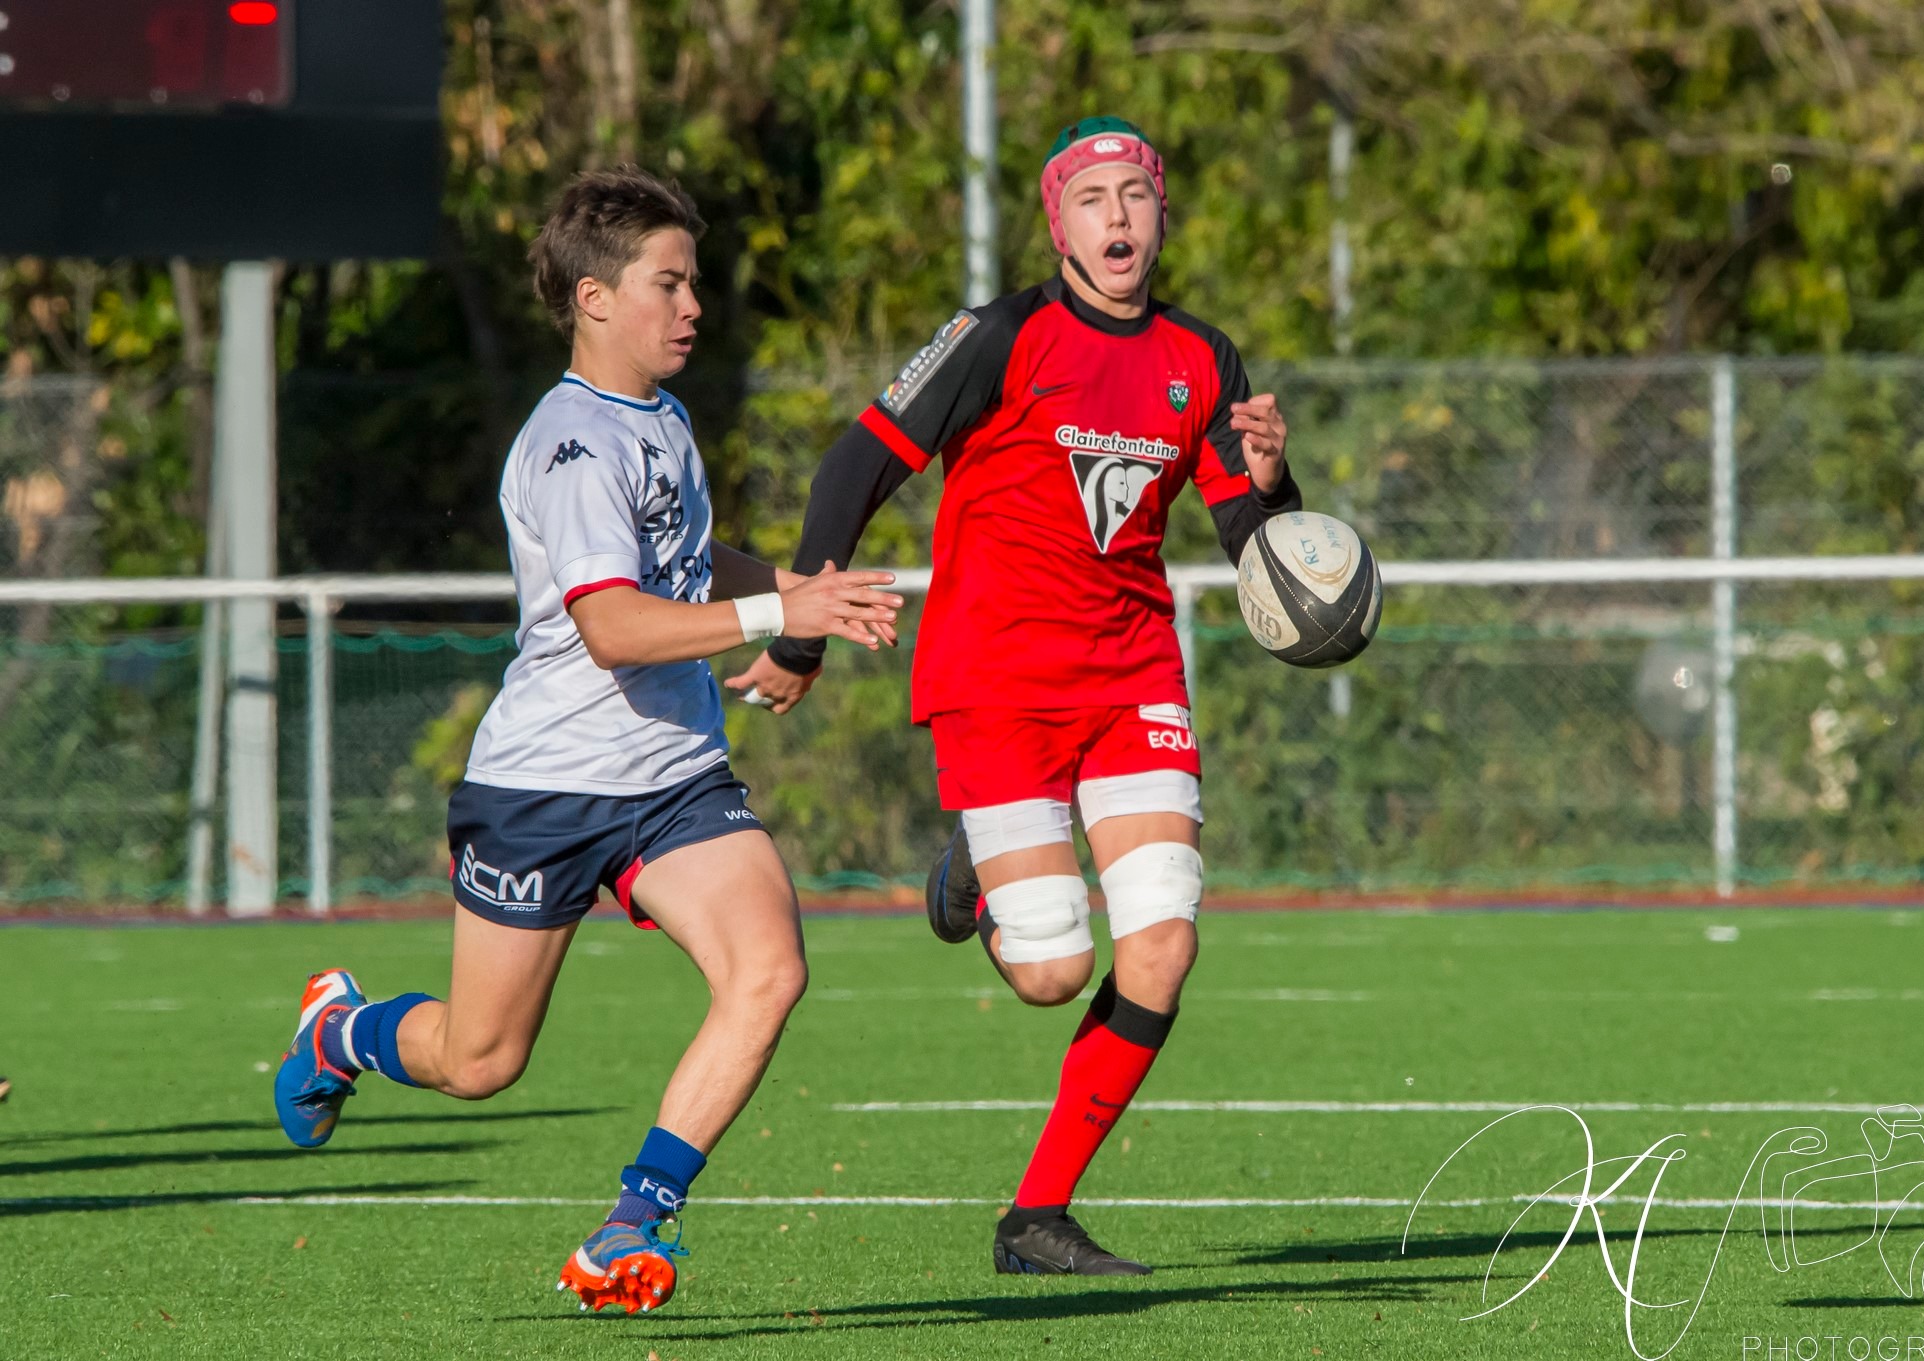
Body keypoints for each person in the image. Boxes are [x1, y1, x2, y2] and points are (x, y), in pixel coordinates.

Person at [270, 167, 903, 1316]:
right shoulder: (567, 442)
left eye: (693, 281)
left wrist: (808, 589)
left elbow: (684, 565)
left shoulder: (659, 416)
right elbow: (612, 626)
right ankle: (342, 1028)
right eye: (670, 283)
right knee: (478, 1061)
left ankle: (633, 1221)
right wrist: (779, 615)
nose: (693, 305)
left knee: (768, 971)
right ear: (593, 298)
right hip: (544, 788)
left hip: (670, 778)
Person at [725, 117, 1300, 1275]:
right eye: (1091, 198)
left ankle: (1035, 1216)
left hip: (1132, 670)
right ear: (1059, 223)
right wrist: (803, 626)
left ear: (1161, 215)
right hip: (996, 674)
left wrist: (1279, 485)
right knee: (1049, 972)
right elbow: (859, 460)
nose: (1118, 217)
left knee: (1161, 947)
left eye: (1135, 195)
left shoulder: (1205, 357)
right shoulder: (1001, 333)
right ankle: (979, 876)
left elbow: (1260, 551)